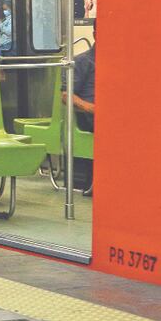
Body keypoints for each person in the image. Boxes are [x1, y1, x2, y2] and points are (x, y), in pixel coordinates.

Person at [65, 25, 96, 195]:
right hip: (88, 116)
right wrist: (90, 108)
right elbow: (66, 95)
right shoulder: (83, 61)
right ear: (94, 34)